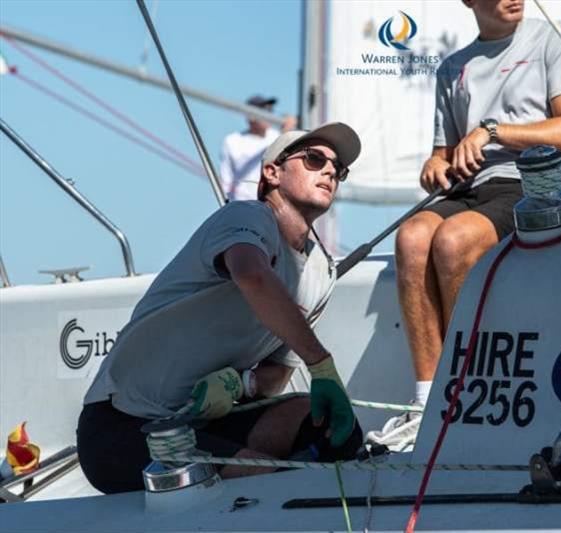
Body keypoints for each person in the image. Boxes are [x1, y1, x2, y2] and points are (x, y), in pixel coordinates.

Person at [77, 122, 362, 494]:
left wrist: (239, 383)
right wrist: (322, 365)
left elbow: (277, 371)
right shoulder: (246, 217)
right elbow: (252, 275)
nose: (328, 170)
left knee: (336, 431)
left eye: (337, 168)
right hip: (125, 427)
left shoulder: (321, 272)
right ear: (272, 172)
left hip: (209, 421)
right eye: (313, 158)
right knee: (268, 485)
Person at [366, 0, 561, 451]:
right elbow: (441, 154)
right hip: (472, 189)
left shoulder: (554, 36)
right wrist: (434, 168)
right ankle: (426, 405)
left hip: (535, 182)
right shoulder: (453, 67)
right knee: (411, 238)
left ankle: (465, 397)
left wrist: (493, 132)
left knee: (453, 241)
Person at [219, 95, 296, 201]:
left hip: (270, 204)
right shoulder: (233, 141)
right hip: (242, 204)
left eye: (270, 111)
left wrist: (288, 132)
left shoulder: (277, 137)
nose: (269, 115)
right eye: (264, 111)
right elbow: (225, 179)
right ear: (251, 116)